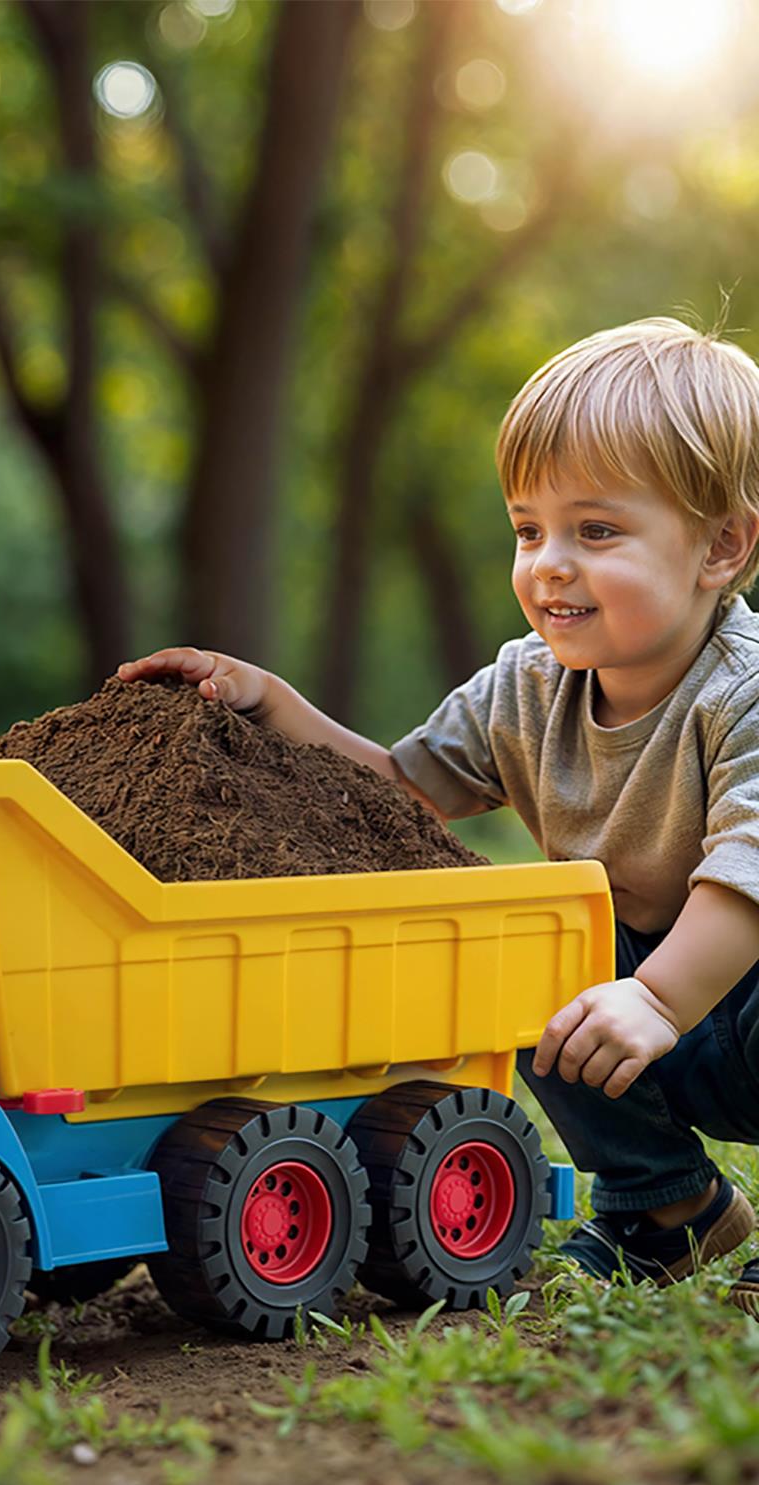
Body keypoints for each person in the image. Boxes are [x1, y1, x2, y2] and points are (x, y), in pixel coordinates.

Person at [119, 316, 759, 1306]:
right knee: (519, 953)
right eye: (528, 528)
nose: (550, 563)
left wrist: (661, 998)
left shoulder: (742, 693)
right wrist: (272, 707)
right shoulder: (526, 687)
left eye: (596, 530)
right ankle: (669, 1209)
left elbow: (745, 873)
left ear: (721, 547)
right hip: (651, 998)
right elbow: (401, 795)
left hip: (735, 987)